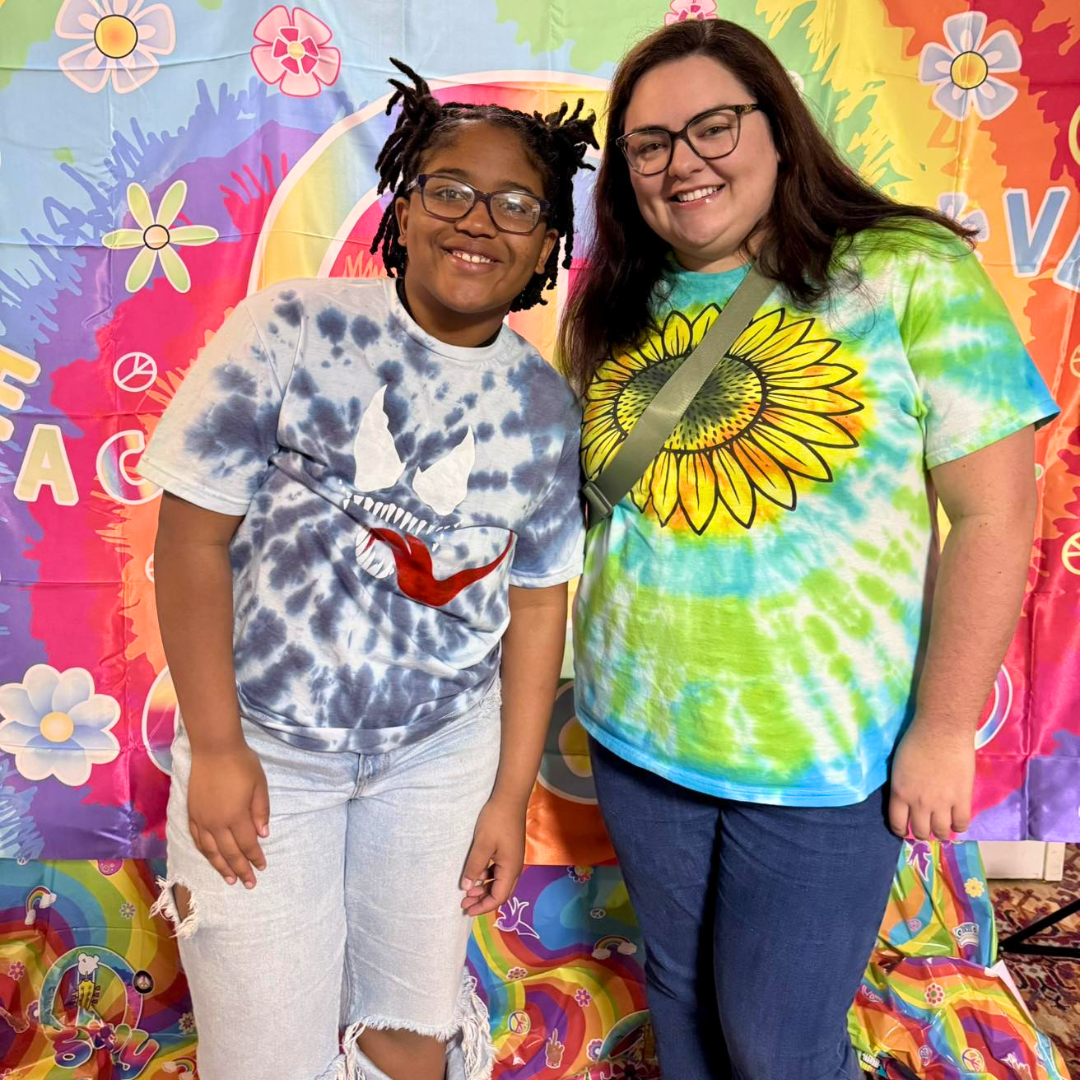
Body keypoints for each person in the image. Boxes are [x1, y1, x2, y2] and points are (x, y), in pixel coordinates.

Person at [560, 19, 1057, 1080]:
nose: (683, 162)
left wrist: (944, 728)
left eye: (714, 126)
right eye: (650, 144)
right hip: (635, 728)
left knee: (776, 1043)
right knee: (679, 997)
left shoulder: (903, 268)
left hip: (821, 756)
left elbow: (993, 514)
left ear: (779, 131)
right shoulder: (619, 299)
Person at [142, 59, 595, 1080]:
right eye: (450, 189)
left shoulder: (545, 408)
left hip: (440, 756)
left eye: (516, 204)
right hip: (265, 749)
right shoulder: (293, 329)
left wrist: (507, 795)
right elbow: (190, 540)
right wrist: (216, 745)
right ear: (403, 202)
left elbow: (537, 605)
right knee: (264, 1052)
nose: (478, 221)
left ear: (547, 242)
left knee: (407, 1026)